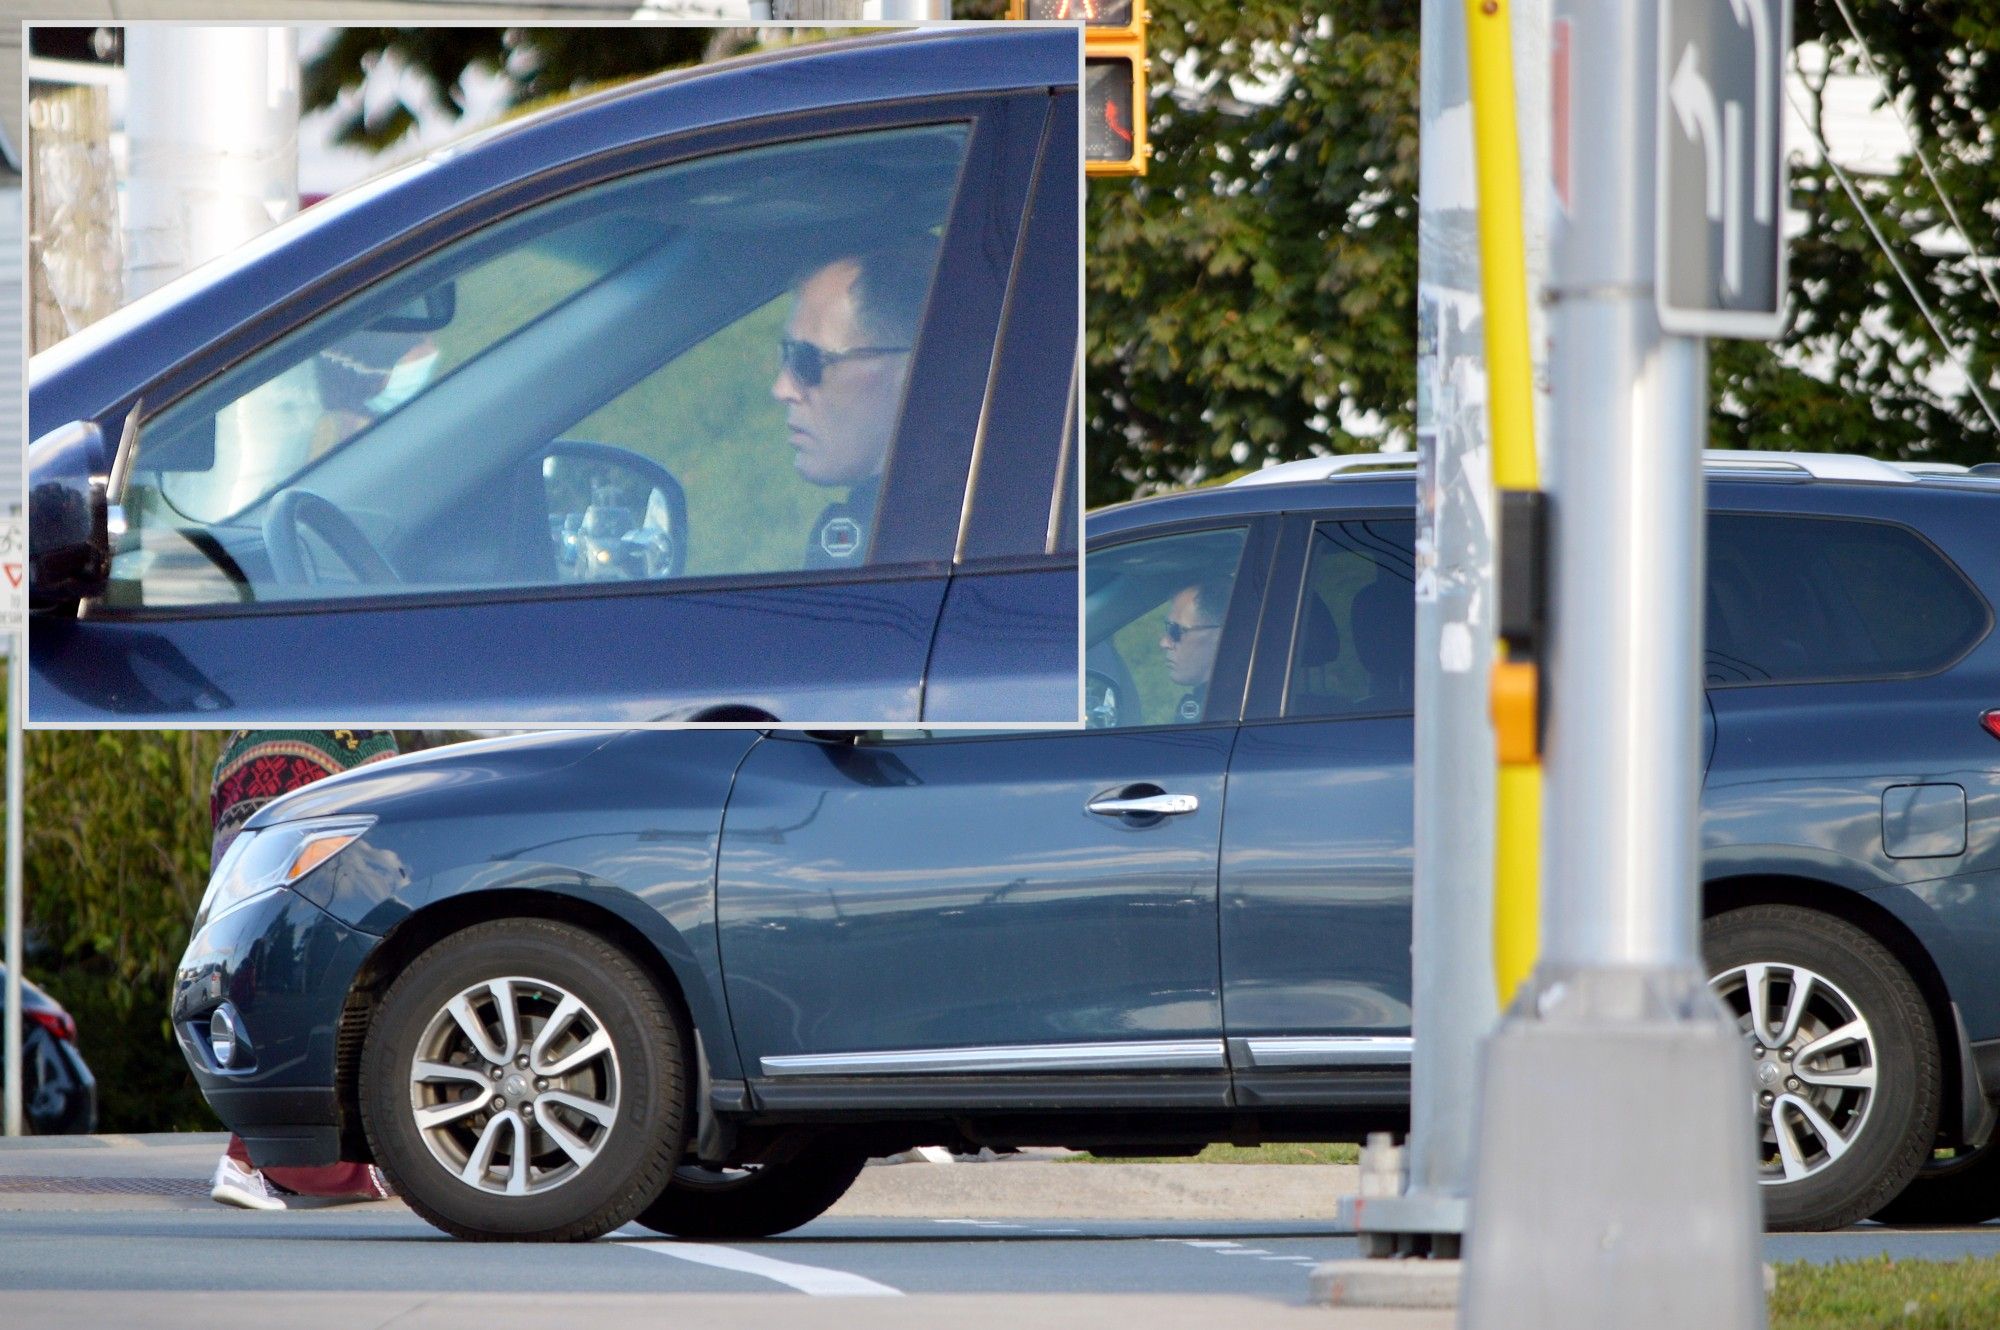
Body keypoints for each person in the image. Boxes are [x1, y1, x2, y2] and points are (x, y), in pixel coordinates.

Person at [207, 730, 402, 1211]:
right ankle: (256, 1164)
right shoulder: (360, 736)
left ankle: (252, 1163)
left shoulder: (238, 742)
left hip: (240, 910)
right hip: (318, 909)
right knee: (333, 1036)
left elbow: (219, 831)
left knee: (263, 1040)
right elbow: (385, 831)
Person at [770, 239, 936, 569]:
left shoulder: (904, 552)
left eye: (808, 361)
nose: (782, 388)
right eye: (785, 354)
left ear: (912, 374)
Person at [1160, 577, 1231, 723]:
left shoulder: (1221, 718)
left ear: (1222, 636)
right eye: (1168, 627)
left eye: (1177, 630)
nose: (1164, 643)